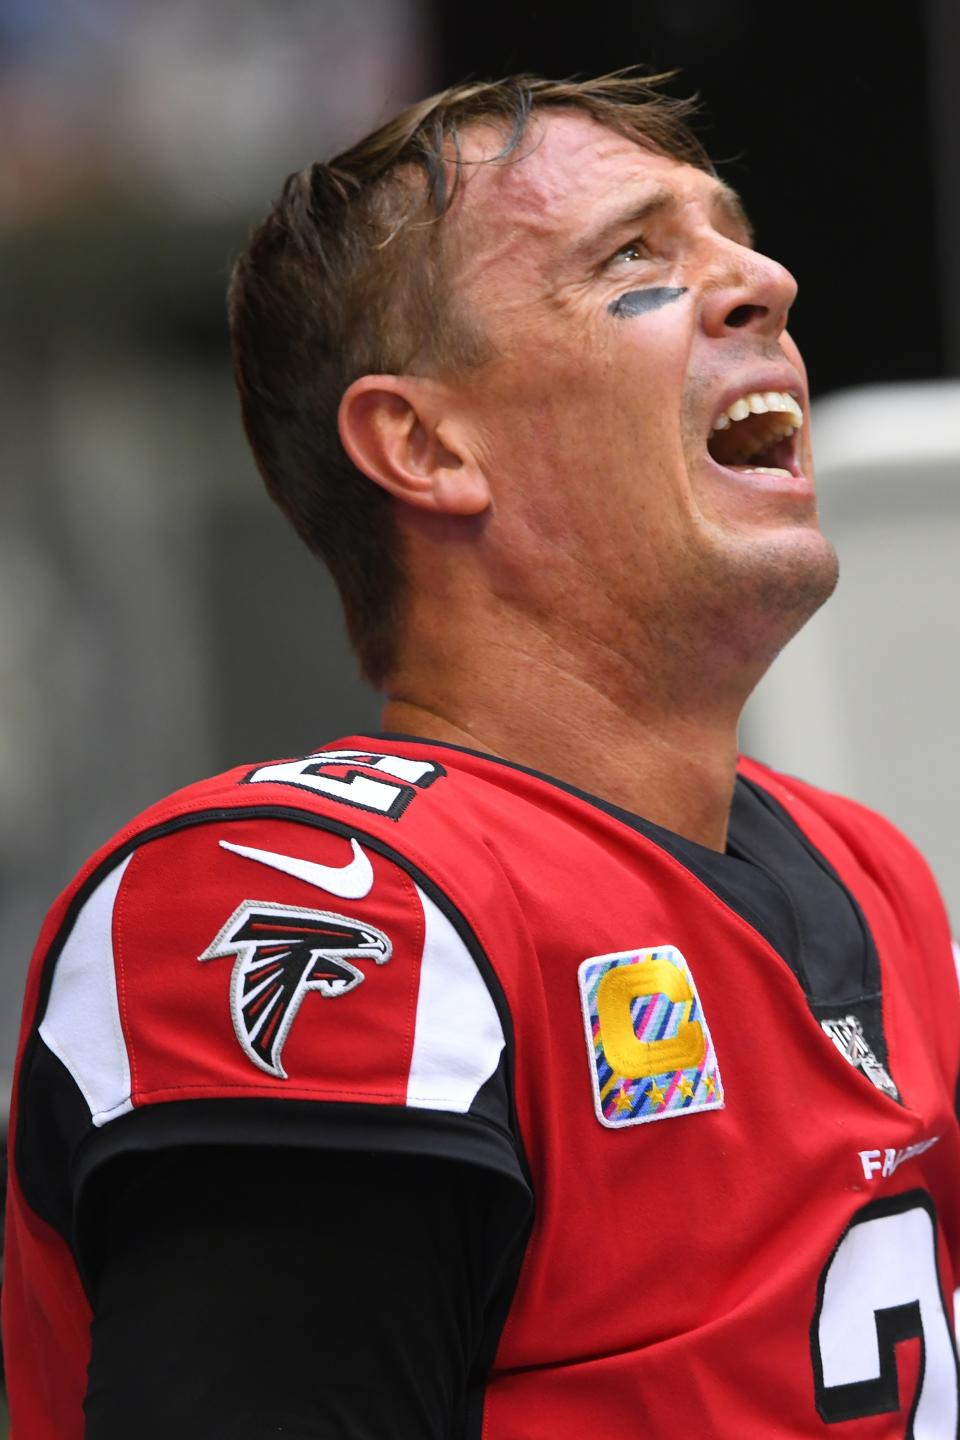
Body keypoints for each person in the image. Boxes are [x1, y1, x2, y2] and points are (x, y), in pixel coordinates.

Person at [3, 71, 959, 1439]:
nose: (764, 281)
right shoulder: (314, 890)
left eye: (732, 234)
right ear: (424, 441)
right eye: (634, 257)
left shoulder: (871, 874)